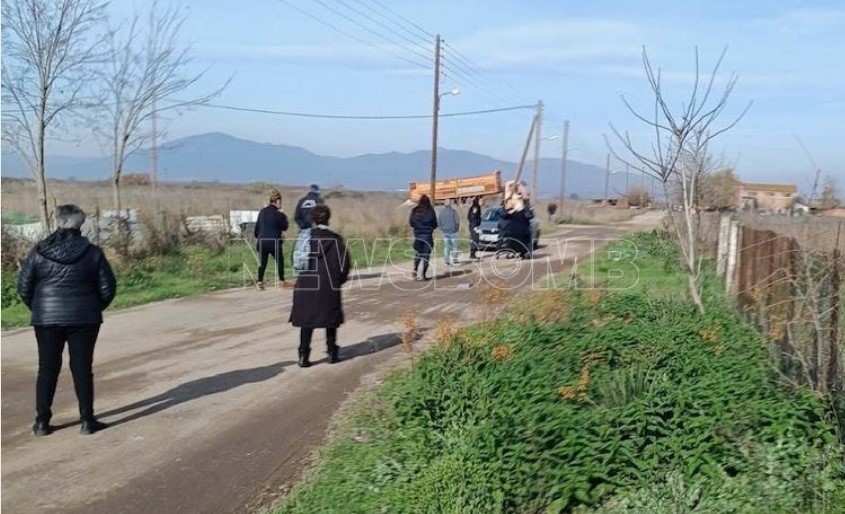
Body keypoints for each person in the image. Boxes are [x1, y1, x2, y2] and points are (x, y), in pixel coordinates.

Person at [17, 204, 117, 436]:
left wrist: (40, 309)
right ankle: (87, 420)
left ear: (58, 221)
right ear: (81, 224)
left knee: (47, 368)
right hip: (85, 319)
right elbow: (108, 288)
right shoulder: (93, 252)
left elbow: (24, 287)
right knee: (82, 367)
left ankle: (42, 422)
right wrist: (92, 308)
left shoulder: (39, 251)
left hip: (46, 320)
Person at [289, 205, 350, 368]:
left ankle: (303, 356)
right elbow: (344, 266)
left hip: (306, 285)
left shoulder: (303, 240)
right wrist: (337, 281)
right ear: (328, 219)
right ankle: (331, 353)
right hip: (329, 285)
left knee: (306, 322)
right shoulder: (336, 241)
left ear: (313, 219)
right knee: (330, 321)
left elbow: (294, 261)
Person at [254, 188, 290, 290]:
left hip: (262, 242)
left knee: (262, 262)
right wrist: (283, 215)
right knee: (280, 260)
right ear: (277, 201)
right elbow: (285, 227)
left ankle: (259, 282)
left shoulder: (262, 212)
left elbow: (257, 229)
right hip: (274, 242)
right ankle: (281, 281)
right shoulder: (278, 214)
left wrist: (259, 237)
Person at [292, 184, 323, 272]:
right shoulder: (319, 201)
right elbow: (322, 215)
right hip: (314, 229)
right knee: (314, 248)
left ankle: (299, 267)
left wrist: (302, 225)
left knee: (301, 247)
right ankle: (312, 268)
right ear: (317, 192)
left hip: (303, 229)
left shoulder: (301, 201)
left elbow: (296, 216)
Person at [409, 194, 438, 280]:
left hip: (417, 235)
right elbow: (435, 223)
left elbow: (411, 222)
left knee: (418, 254)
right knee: (426, 255)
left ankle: (415, 269)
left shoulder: (415, 210)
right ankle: (423, 274)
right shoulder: (430, 211)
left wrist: (417, 227)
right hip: (427, 236)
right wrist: (430, 227)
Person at [439, 199, 460, 266]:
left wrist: (442, 229)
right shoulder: (453, 212)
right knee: (455, 246)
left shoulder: (441, 213)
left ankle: (446, 261)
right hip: (453, 231)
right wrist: (456, 229)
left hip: (445, 232)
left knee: (446, 247)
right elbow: (457, 221)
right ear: (450, 204)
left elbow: (439, 222)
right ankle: (454, 260)